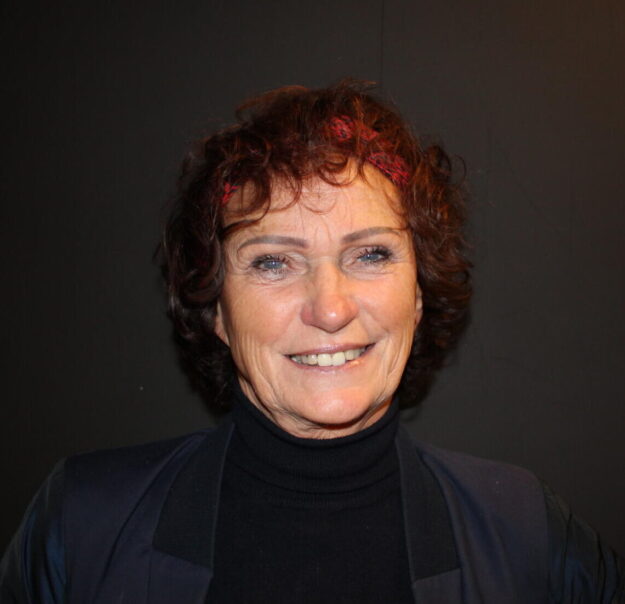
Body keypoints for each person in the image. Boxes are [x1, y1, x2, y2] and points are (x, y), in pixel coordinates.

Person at [1, 80, 623, 603]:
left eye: (371, 254)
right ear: (216, 309)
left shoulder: (528, 536)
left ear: (419, 293)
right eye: (273, 262)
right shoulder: (82, 527)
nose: (330, 308)